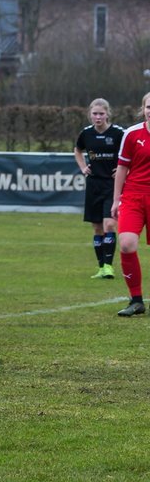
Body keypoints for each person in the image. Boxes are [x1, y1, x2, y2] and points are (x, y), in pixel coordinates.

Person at [74, 98, 124, 279]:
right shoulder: (86, 134)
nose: (98, 117)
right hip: (93, 185)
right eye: (95, 114)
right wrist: (82, 167)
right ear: (90, 115)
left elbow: (130, 152)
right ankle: (101, 267)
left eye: (101, 113)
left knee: (109, 224)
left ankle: (109, 267)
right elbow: (77, 150)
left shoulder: (119, 133)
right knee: (97, 228)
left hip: (112, 185)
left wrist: (121, 168)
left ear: (107, 114)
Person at [110, 91, 150, 316]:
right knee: (126, 244)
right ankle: (136, 300)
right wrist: (117, 199)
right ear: (143, 109)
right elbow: (122, 167)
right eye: (149, 107)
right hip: (133, 196)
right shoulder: (131, 134)